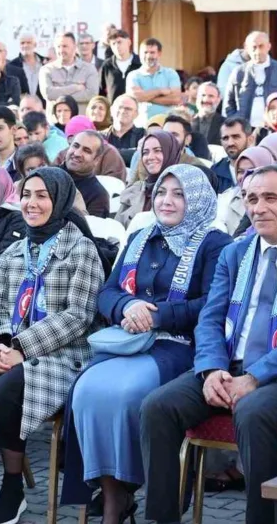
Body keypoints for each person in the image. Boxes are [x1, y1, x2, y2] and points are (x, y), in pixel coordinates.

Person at [140, 164, 277, 524]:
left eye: (271, 198)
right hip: (227, 367)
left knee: (253, 411)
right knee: (158, 406)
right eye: (251, 199)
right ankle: (163, 519)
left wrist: (253, 378)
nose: (258, 208)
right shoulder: (235, 252)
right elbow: (210, 318)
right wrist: (211, 369)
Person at [62, 164, 231, 524]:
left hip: (178, 345)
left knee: (124, 394)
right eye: (161, 193)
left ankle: (136, 488)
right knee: (86, 391)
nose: (167, 201)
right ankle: (112, 497)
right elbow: (106, 293)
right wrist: (128, 305)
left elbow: (213, 304)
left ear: (198, 199)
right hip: (127, 341)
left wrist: (158, 315)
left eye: (179, 194)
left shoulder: (216, 243)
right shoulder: (141, 236)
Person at [0, 166, 101, 524]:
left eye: (41, 196)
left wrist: (22, 347)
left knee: (7, 390)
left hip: (61, 353)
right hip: (7, 345)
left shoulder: (81, 250)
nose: (31, 204)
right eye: (27, 195)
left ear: (60, 200)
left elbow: (78, 317)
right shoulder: (15, 250)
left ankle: (12, 490)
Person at [224, 31, 277, 128]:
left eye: (261, 46)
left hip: (275, 129)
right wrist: (236, 123)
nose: (257, 51)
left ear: (268, 46)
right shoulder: (238, 72)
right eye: (254, 47)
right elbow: (229, 103)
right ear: (247, 48)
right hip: (245, 130)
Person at [115, 131, 184, 226]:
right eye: (145, 152)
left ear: (170, 152)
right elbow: (116, 229)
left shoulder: (183, 190)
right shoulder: (135, 189)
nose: (150, 157)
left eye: (157, 150)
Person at [126, 39, 182, 125]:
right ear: (139, 54)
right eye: (145, 52)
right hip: (141, 126)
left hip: (167, 125)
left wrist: (146, 97)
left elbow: (176, 99)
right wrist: (159, 91)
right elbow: (135, 97)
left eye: (152, 52)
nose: (148, 56)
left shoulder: (171, 73)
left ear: (159, 54)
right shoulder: (133, 75)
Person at [39, 32, 100, 105]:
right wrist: (75, 88)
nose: (61, 50)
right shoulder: (47, 69)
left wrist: (59, 96)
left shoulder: (89, 69)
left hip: (80, 116)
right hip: (56, 116)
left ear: (74, 47)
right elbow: (48, 94)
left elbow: (91, 94)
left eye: (65, 46)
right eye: (58, 47)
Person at [63, 131, 113, 218]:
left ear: (96, 160)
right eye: (75, 146)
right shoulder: (48, 175)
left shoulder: (98, 196)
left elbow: (92, 230)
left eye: (87, 151)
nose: (77, 153)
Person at [213, 117, 254, 191]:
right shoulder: (214, 172)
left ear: (250, 139)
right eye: (225, 138)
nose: (230, 143)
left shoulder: (261, 169)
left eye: (236, 137)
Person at [99, 29, 141, 101]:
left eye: (119, 42)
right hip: (114, 110)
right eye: (113, 44)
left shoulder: (140, 63)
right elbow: (101, 91)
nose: (117, 46)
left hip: (137, 109)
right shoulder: (107, 65)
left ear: (129, 42)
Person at [105, 95, 146, 165]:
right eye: (120, 107)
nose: (123, 111)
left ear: (136, 114)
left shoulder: (143, 135)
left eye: (128, 109)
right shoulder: (100, 136)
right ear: (111, 110)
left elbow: (141, 157)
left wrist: (107, 153)